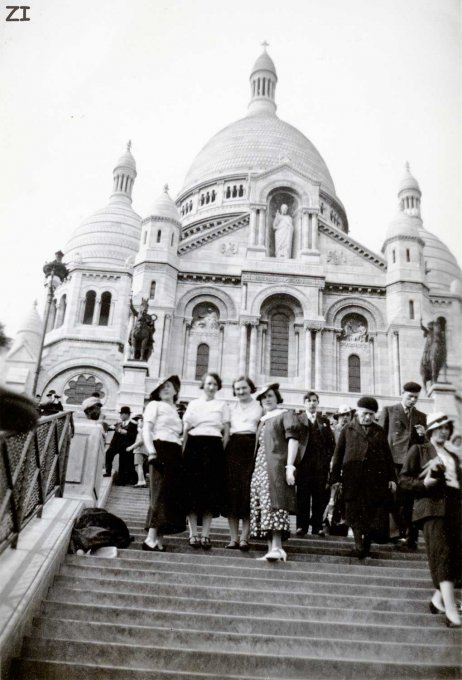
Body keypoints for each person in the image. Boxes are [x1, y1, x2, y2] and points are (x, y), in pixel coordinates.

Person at [400, 412, 461, 628]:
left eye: (447, 427)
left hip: (454, 508)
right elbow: (404, 480)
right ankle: (452, 613)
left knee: (454, 556)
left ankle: (437, 601)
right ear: (431, 430)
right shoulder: (419, 450)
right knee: (442, 555)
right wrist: (425, 484)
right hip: (432, 508)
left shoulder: (452, 455)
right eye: (440, 427)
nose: (444, 431)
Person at [331, 396, 396, 558]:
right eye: (365, 413)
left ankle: (365, 546)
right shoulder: (348, 430)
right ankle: (359, 546)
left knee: (370, 515)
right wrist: (334, 478)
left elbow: (388, 457)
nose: (367, 417)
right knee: (353, 514)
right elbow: (338, 455)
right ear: (358, 412)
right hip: (352, 479)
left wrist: (392, 478)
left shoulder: (379, 431)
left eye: (371, 415)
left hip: (374, 482)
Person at [250, 383, 300, 562]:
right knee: (264, 506)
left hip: (277, 466)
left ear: (277, 397)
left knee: (275, 503)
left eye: (270, 396)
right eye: (263, 397)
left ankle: (278, 547)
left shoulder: (285, 414)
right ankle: (271, 548)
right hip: (261, 468)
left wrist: (290, 466)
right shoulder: (263, 420)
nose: (267, 400)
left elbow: (293, 439)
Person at [182, 372, 230, 549]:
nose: (211, 387)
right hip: (194, 446)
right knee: (192, 493)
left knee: (210, 493)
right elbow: (186, 429)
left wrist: (220, 453)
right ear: (203, 385)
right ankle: (193, 533)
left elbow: (226, 432)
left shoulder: (222, 405)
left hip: (214, 448)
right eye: (209, 383)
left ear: (218, 387)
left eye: (215, 384)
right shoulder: (194, 404)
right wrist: (183, 451)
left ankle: (206, 534)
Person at [379, 381, 427, 547]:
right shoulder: (389, 411)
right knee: (393, 497)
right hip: (392, 462)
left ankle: (408, 535)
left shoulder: (421, 416)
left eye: (415, 397)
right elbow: (380, 438)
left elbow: (424, 445)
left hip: (412, 465)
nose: (412, 400)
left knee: (408, 500)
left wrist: (423, 435)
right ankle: (395, 533)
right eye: (410, 396)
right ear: (402, 393)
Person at [142, 375, 185, 551]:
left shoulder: (176, 411)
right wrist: (151, 451)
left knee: (168, 494)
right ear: (158, 393)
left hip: (174, 451)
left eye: (169, 386)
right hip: (160, 449)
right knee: (158, 493)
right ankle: (150, 537)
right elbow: (147, 429)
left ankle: (159, 538)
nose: (166, 389)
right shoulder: (154, 405)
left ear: (175, 390)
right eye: (162, 387)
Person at [224, 376, 262, 551]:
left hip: (251, 449)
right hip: (233, 449)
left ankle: (245, 538)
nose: (240, 391)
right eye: (237, 389)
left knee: (247, 493)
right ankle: (233, 538)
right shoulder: (230, 408)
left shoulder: (259, 407)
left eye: (244, 388)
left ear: (250, 388)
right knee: (232, 494)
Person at [295, 391, 335, 537]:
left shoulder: (323, 421)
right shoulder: (298, 419)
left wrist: (326, 460)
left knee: (319, 497)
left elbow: (331, 443)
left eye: (314, 401)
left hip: (320, 466)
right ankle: (301, 526)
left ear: (318, 403)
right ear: (304, 403)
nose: (312, 403)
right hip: (303, 465)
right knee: (303, 496)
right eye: (309, 401)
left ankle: (317, 526)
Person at [104, 406, 137, 485]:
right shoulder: (118, 423)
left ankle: (121, 480)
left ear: (127, 414)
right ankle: (108, 472)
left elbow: (134, 436)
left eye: (122, 414)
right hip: (115, 445)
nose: (120, 415)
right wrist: (107, 427)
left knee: (123, 463)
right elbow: (110, 428)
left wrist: (126, 433)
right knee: (108, 454)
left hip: (125, 447)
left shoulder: (133, 425)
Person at [126, 415, 148, 487]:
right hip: (143, 450)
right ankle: (142, 481)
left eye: (139, 423)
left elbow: (140, 441)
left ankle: (140, 481)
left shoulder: (141, 431)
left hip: (139, 450)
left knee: (139, 466)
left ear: (142, 422)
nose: (138, 424)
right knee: (139, 466)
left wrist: (131, 447)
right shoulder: (146, 430)